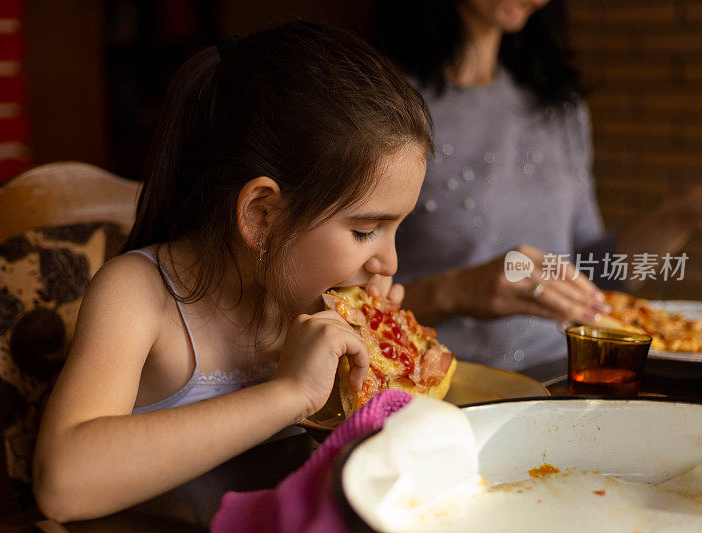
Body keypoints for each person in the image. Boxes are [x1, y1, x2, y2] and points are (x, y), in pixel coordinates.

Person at [32, 21, 431, 521]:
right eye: (366, 230)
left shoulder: (310, 300)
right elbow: (62, 483)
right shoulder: (140, 294)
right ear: (262, 214)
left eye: (397, 229)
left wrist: (373, 375)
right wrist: (287, 395)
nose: (389, 262)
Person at [376, 0, 702, 379]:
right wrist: (454, 291)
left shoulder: (557, 104)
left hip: (563, 378)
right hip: (441, 386)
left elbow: (590, 274)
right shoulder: (382, 104)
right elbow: (334, 308)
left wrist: (680, 216)